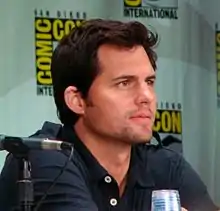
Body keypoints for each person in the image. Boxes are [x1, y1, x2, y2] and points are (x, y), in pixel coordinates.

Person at [0, 19, 219, 211]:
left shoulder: (166, 166)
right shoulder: (41, 160)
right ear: (77, 100)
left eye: (149, 82)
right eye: (124, 83)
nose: (146, 96)